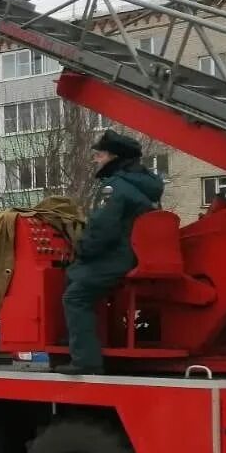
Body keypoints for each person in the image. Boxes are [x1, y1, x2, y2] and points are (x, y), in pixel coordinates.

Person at [58, 130, 164, 374]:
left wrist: (81, 249)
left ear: (115, 157)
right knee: (75, 275)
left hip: (119, 258)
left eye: (101, 154)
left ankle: (86, 361)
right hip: (139, 256)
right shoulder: (146, 189)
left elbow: (103, 229)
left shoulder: (114, 188)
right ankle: (77, 338)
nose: (97, 159)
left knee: (75, 296)